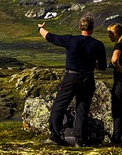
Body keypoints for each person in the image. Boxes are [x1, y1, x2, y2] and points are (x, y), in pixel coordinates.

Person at [38, 17, 107, 147]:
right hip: (88, 78)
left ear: (80, 27)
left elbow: (50, 37)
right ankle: (79, 140)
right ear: (92, 29)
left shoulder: (71, 40)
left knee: (59, 105)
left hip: (71, 77)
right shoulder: (98, 45)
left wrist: (40, 28)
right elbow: (102, 67)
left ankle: (54, 136)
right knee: (82, 108)